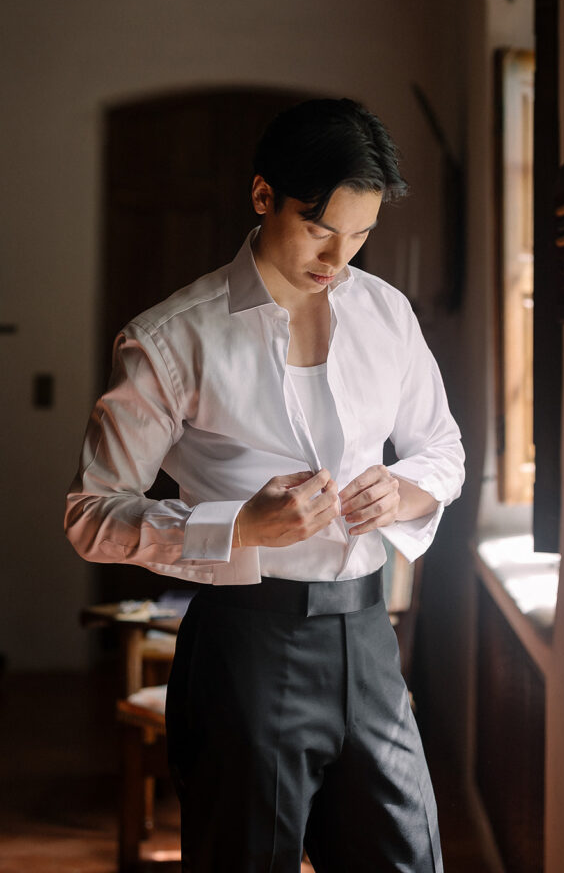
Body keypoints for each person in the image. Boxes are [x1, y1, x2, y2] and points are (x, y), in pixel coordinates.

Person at [64, 97, 464, 873]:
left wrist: (407, 490)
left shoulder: (388, 314)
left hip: (370, 644)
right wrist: (238, 528)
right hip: (247, 650)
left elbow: (441, 446)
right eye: (320, 228)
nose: (338, 257)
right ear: (261, 197)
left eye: (360, 235)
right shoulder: (170, 338)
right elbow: (90, 514)